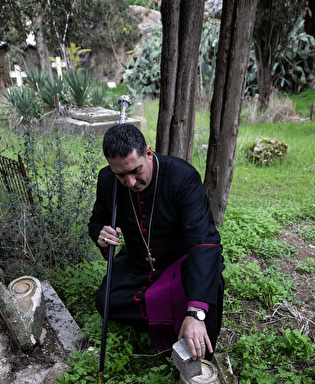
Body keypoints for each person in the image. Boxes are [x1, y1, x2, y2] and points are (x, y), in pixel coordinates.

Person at [88, 124, 224, 361]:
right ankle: (169, 319)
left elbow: (204, 243)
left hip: (180, 264)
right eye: (121, 175)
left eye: (136, 170)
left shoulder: (183, 177)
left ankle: (189, 323)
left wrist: (195, 313)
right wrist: (101, 235)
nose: (130, 182)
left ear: (148, 153)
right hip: (139, 264)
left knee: (208, 292)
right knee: (106, 301)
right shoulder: (107, 180)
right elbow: (97, 220)